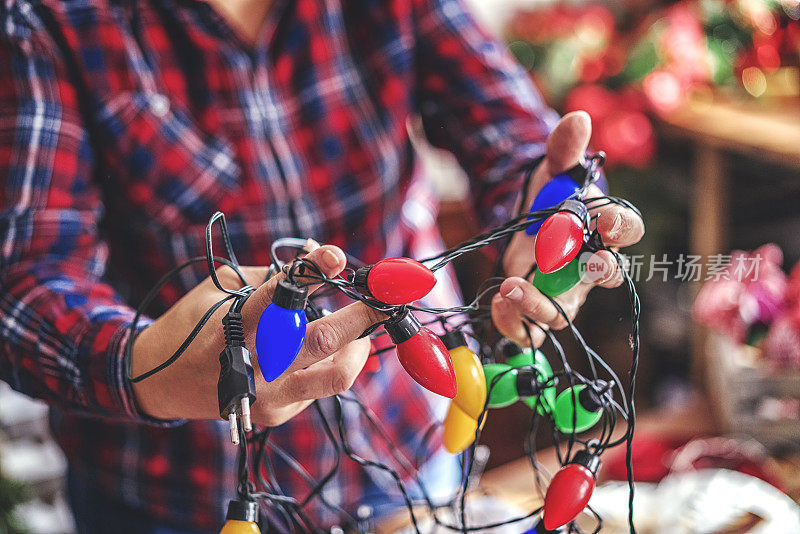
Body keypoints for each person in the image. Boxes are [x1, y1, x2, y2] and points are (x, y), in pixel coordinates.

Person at [0, 0, 645, 531]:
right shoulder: (48, 21)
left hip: (413, 443)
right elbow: (24, 284)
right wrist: (148, 367)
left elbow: (520, 142)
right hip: (170, 496)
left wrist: (556, 212)